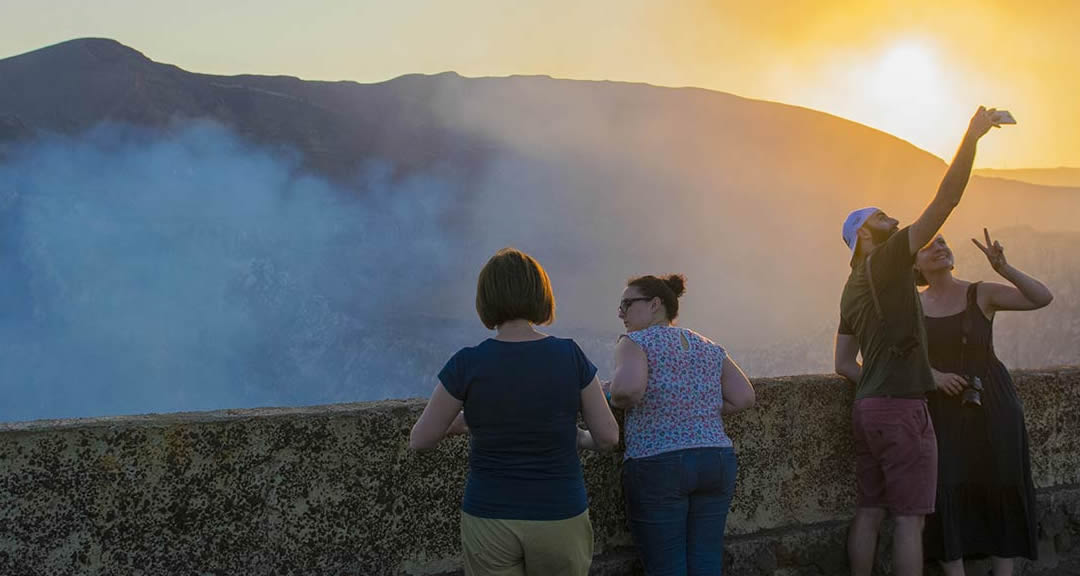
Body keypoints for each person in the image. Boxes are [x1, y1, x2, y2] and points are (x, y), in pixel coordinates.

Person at [834, 106, 1001, 576]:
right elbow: (946, 200)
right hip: (903, 409)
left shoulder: (851, 288)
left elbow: (843, 364)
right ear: (867, 235)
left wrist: (880, 380)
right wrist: (971, 137)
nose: (895, 220)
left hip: (866, 409)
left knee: (870, 511)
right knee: (910, 521)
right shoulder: (887, 260)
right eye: (885, 218)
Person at [409, 247, 619, 576]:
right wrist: (578, 437)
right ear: (540, 294)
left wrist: (471, 422)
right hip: (560, 513)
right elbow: (607, 437)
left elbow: (421, 439)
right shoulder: (569, 355)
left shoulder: (468, 362)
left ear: (486, 299)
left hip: (490, 515)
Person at [914, 230, 1052, 576]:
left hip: (992, 400)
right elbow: (897, 353)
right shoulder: (913, 305)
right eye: (927, 245)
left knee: (1002, 482)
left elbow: (1041, 298)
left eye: (943, 241)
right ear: (913, 263)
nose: (939, 247)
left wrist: (1003, 268)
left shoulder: (981, 293)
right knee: (945, 487)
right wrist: (933, 376)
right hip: (942, 406)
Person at [607, 273, 756, 575]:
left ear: (655, 304)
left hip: (659, 461)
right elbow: (744, 397)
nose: (620, 313)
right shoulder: (707, 345)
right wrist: (696, 409)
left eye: (627, 303)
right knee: (705, 562)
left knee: (666, 566)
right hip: (715, 459)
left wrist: (603, 391)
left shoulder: (635, 341)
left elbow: (628, 390)